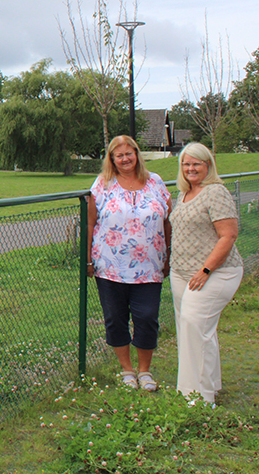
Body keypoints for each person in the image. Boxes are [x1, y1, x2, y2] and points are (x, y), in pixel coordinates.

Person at [87, 135, 172, 392]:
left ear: (137, 154)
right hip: (110, 266)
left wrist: (168, 254)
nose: (125, 159)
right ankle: (126, 370)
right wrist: (87, 258)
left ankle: (145, 371)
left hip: (150, 266)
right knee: (115, 318)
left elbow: (167, 221)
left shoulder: (155, 182)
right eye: (119, 155)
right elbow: (90, 222)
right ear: (112, 159)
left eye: (129, 153)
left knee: (147, 317)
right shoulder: (103, 184)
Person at [169, 143, 242, 404]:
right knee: (195, 330)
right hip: (181, 273)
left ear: (208, 165)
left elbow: (228, 235)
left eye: (196, 163)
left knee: (194, 326)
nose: (190, 168)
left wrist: (205, 269)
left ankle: (198, 399)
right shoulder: (185, 192)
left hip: (214, 273)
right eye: (186, 164)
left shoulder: (215, 192)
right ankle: (208, 386)